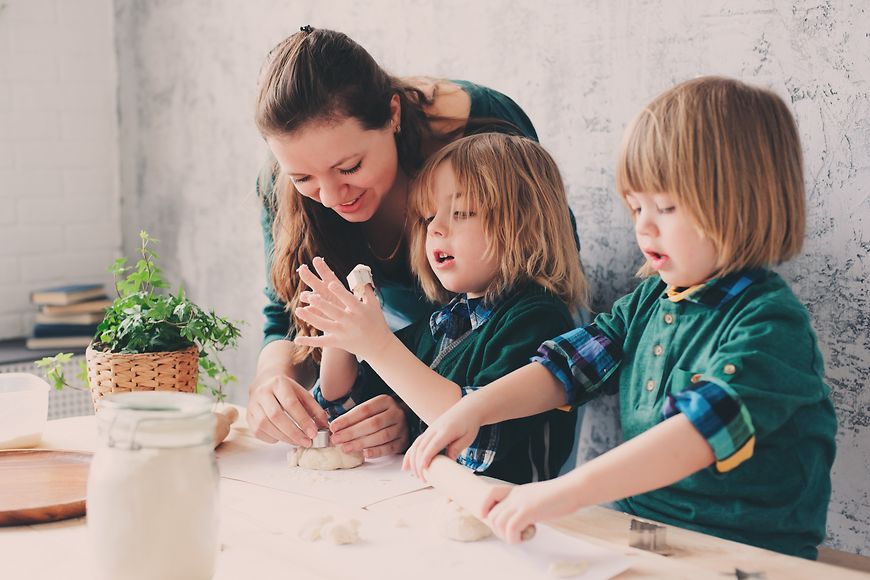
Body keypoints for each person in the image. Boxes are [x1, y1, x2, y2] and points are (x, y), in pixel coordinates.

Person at [404, 77, 837, 559]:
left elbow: (697, 435)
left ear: (744, 200)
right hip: (647, 531)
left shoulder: (769, 327)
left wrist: (562, 492)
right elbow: (565, 369)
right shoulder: (650, 300)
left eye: (665, 207)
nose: (643, 226)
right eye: (635, 206)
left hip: (748, 550)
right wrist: (474, 409)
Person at [247, 26, 583, 456]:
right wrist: (271, 380)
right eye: (303, 178)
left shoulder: (481, 130)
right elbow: (288, 316)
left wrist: (410, 400)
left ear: (393, 114)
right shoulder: (278, 184)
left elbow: (542, 265)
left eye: (349, 167)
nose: (331, 197)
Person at [293, 133, 588, 483]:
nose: (436, 228)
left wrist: (378, 346)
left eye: (461, 212)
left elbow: (474, 441)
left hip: (509, 518)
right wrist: (341, 337)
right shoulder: (445, 322)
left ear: (526, 225)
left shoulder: (538, 319)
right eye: (428, 216)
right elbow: (345, 408)